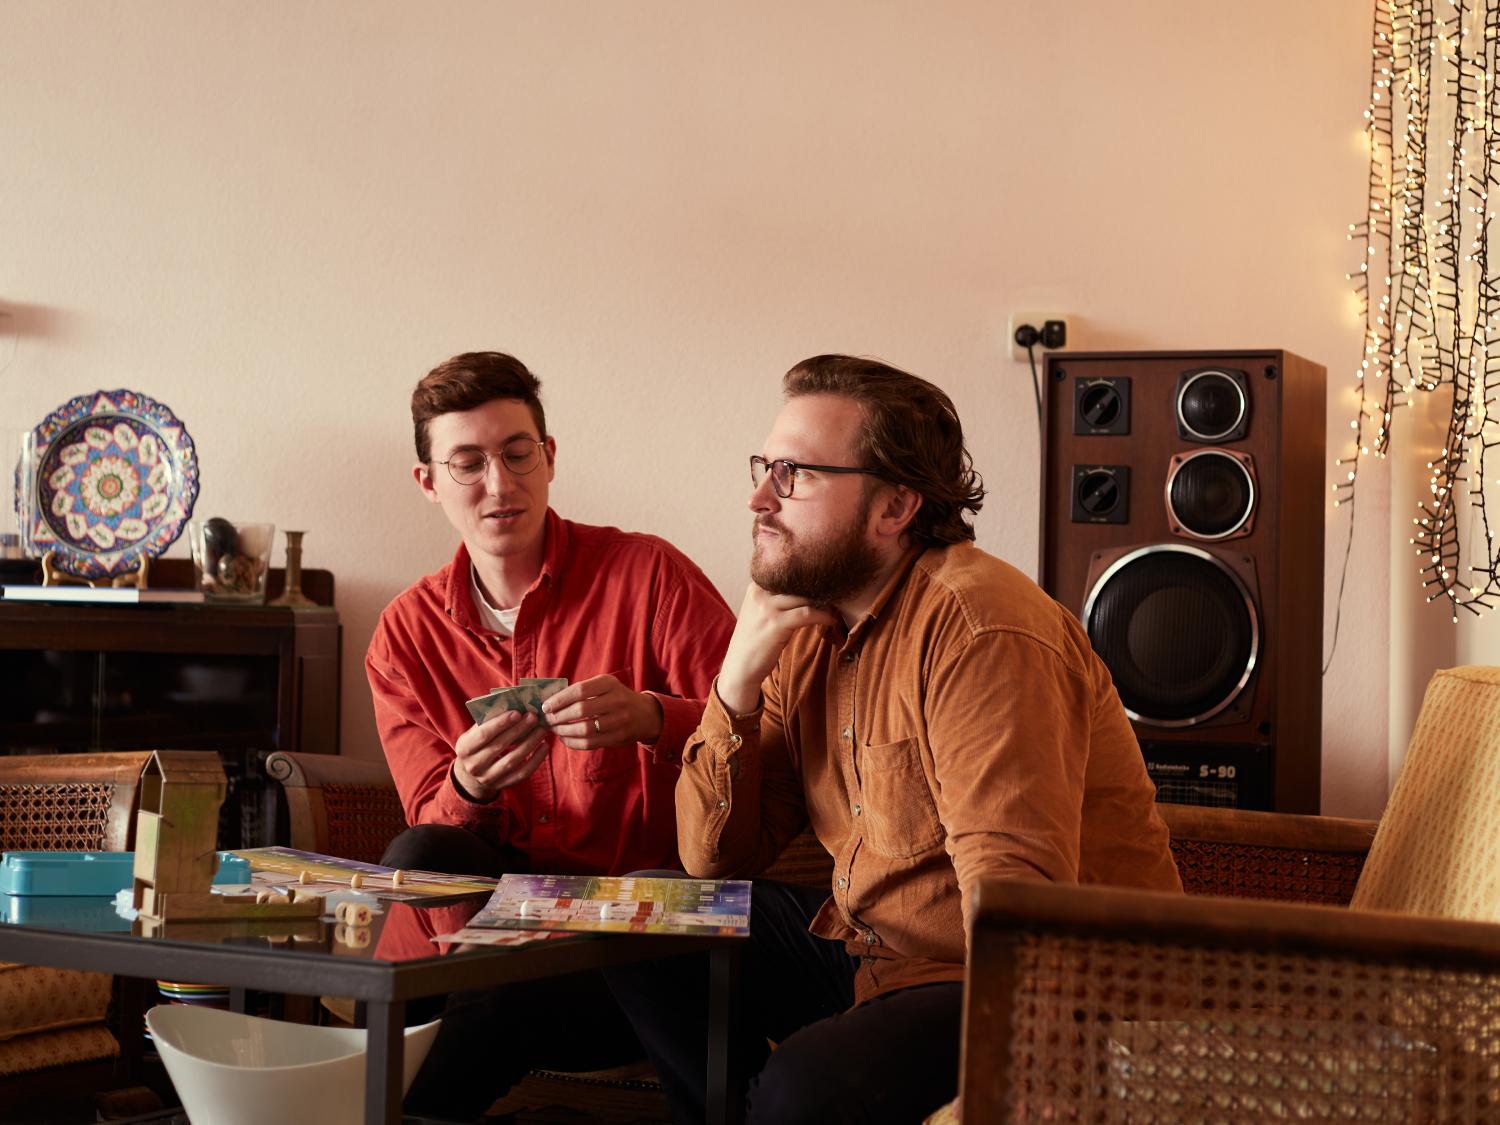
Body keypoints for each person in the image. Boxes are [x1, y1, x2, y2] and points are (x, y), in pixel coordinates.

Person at [606, 354, 1182, 1125]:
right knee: (648, 921)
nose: (758, 497)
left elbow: (1016, 903)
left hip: (1034, 988)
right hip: (880, 958)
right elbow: (716, 858)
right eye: (763, 467)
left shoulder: (980, 629)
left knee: (805, 1086)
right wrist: (735, 683)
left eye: (793, 474)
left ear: (895, 507)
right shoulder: (805, 628)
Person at [365, 350, 735, 1119]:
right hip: (495, 949)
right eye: (466, 463)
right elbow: (428, 829)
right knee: (421, 853)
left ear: (550, 456)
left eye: (516, 452)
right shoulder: (405, 635)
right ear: (428, 482)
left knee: (500, 1005)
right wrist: (467, 788)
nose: (498, 484)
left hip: (642, 944)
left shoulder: (650, 576)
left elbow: (764, 733)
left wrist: (654, 717)